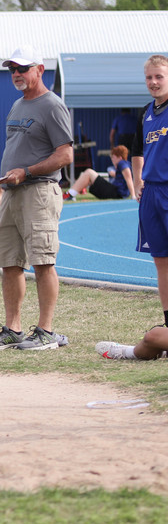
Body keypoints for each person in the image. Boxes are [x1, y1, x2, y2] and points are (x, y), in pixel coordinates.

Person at [0, 46, 73, 352]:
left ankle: (46, 331)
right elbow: (13, 153)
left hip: (39, 192)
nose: (17, 74)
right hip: (12, 193)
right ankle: (13, 330)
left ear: (39, 69)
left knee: (42, 262)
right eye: (12, 70)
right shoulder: (17, 105)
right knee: (9, 263)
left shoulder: (52, 106)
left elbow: (65, 154)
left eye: (22, 68)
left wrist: (27, 172)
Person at [99, 55, 168, 361]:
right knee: (161, 262)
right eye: (149, 78)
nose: (154, 82)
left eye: (159, 77)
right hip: (152, 194)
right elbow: (137, 152)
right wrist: (138, 182)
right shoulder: (146, 113)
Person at [64, 145, 135, 201]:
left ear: (120, 157)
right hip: (117, 192)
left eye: (113, 157)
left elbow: (129, 178)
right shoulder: (127, 163)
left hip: (116, 193)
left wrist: (133, 196)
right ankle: (71, 194)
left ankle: (69, 194)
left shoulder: (122, 163)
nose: (112, 159)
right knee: (88, 176)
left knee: (89, 172)